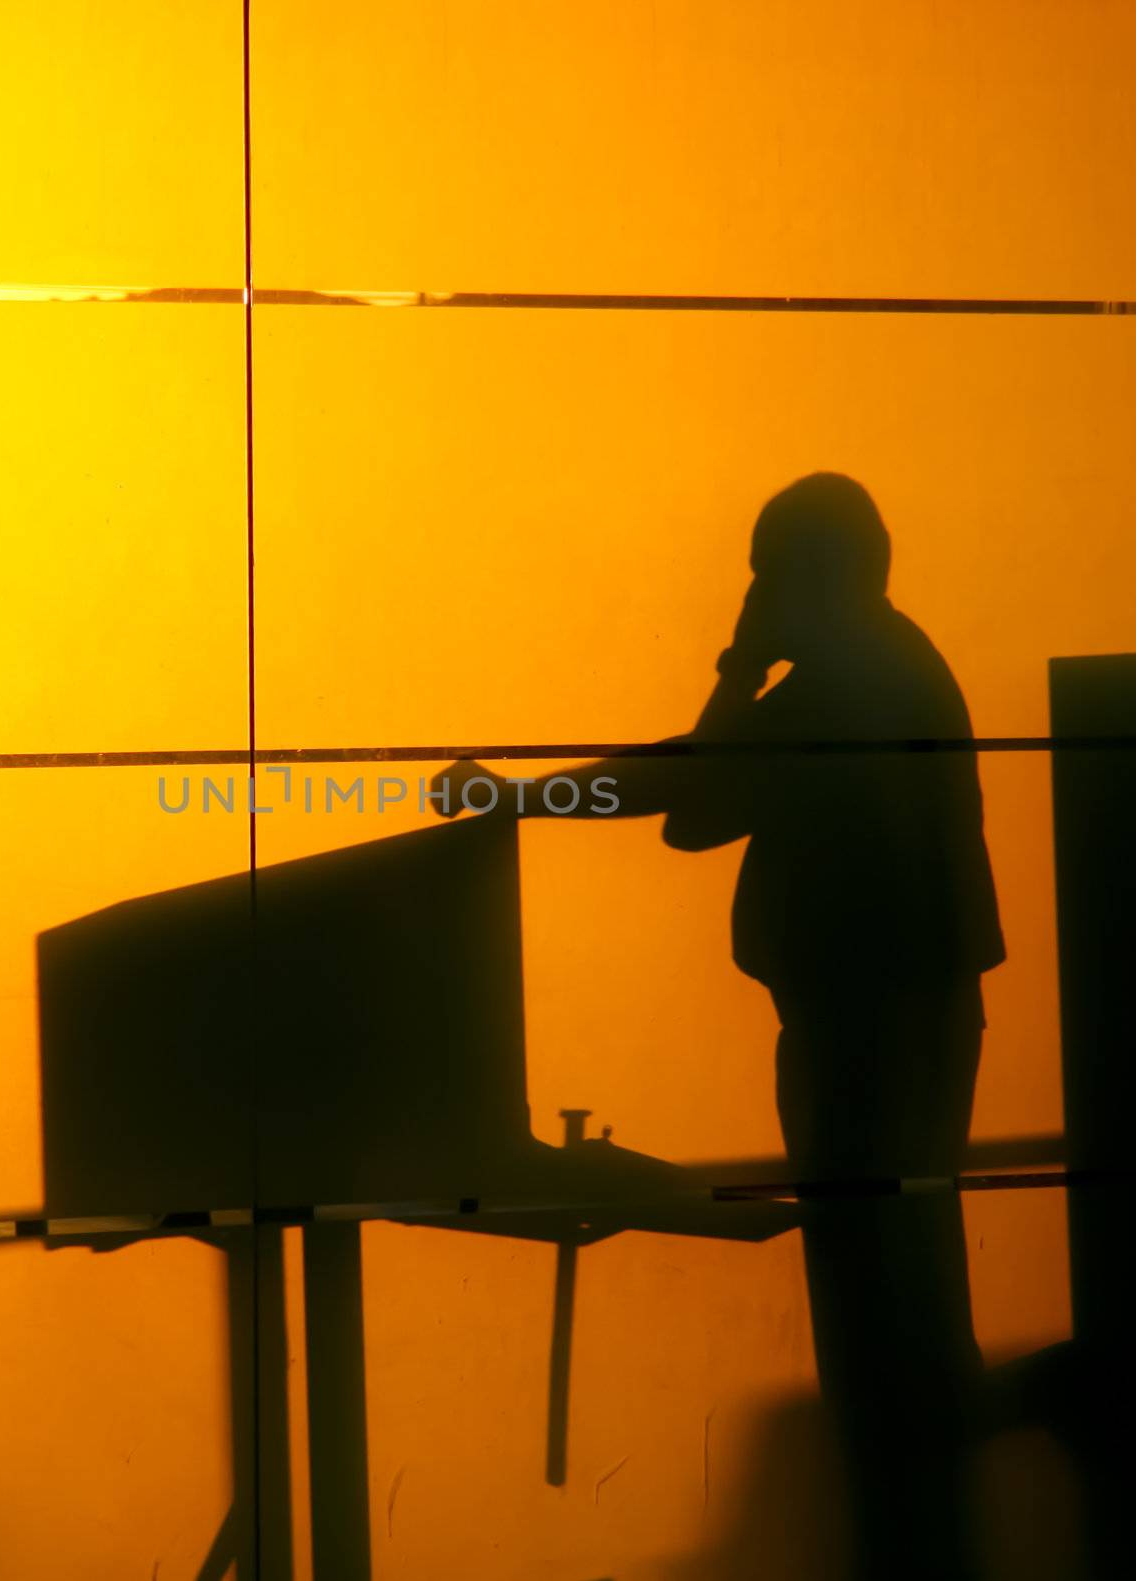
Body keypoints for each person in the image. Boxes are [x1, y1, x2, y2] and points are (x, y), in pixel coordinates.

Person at [438, 472, 1005, 1578]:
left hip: (865, 1032)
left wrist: (527, 796)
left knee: (880, 1312)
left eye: (762, 572)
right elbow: (700, 805)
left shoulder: (846, 688)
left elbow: (687, 802)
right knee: (900, 1294)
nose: (747, 595)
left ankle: (917, 1532)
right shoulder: (881, 671)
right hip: (888, 1021)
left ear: (807, 578)